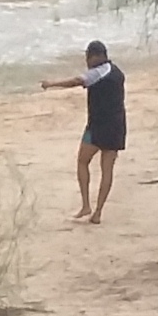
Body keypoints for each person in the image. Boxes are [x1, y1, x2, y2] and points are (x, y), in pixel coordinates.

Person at [46, 40, 126, 223]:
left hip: (98, 127)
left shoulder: (98, 72)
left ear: (95, 56)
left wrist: (52, 84)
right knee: (107, 170)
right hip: (118, 126)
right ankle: (97, 212)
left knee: (82, 161)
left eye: (88, 57)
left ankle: (86, 205)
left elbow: (77, 81)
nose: (87, 62)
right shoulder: (117, 72)